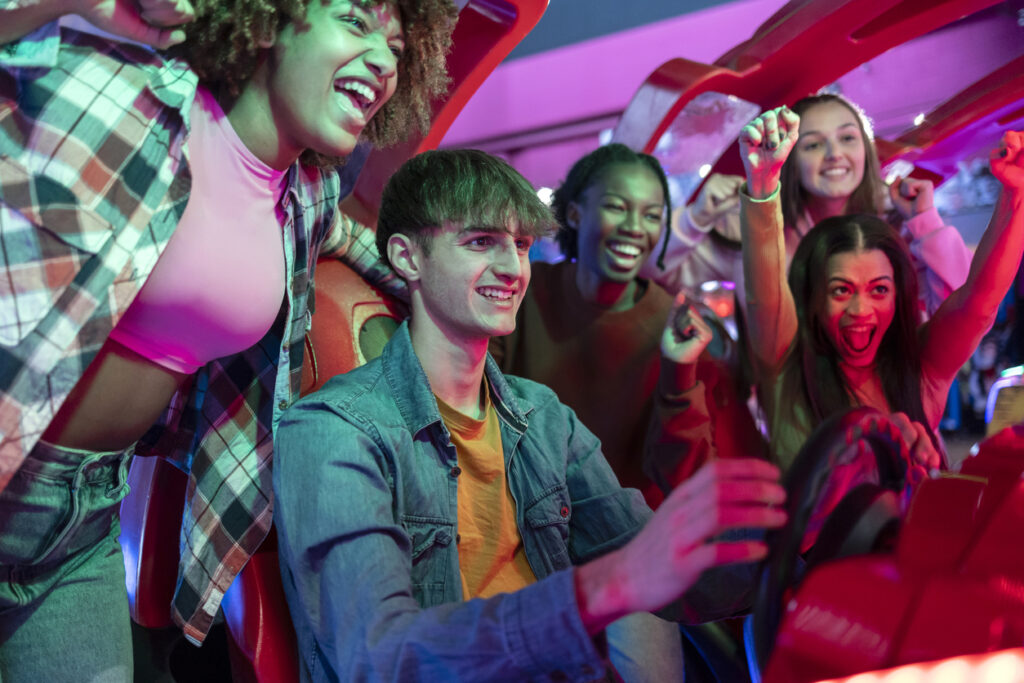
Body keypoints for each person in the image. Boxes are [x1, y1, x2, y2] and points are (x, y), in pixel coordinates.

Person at [0, 0, 455, 677]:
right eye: (357, 23)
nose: (386, 61)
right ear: (270, 18)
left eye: (396, 47)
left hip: (85, 519)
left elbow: (362, 245)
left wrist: (451, 279)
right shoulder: (132, 91)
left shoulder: (304, 198)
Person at [272, 149, 787, 682]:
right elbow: (377, 657)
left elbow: (661, 566)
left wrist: (810, 546)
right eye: (479, 242)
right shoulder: (333, 429)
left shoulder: (543, 417)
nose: (512, 269)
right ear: (408, 258)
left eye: (519, 245)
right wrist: (600, 588)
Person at [737, 106, 1024, 470]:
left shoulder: (920, 368)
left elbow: (979, 302)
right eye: (841, 291)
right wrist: (762, 186)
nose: (860, 309)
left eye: (879, 291)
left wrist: (1016, 196)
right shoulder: (788, 367)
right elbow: (765, 298)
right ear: (811, 299)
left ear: (900, 295)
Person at [490, 144, 762, 504]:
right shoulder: (521, 291)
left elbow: (690, 480)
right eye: (617, 207)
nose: (635, 227)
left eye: (652, 215)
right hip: (522, 523)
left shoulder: (682, 328)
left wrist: (679, 375)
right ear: (574, 213)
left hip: (635, 539)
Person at [640, 93, 971, 318]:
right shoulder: (750, 229)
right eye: (813, 144)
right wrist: (695, 219)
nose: (834, 154)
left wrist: (927, 223)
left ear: (866, 151)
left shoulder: (899, 222)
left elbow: (958, 311)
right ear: (789, 159)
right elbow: (652, 272)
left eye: (847, 138)